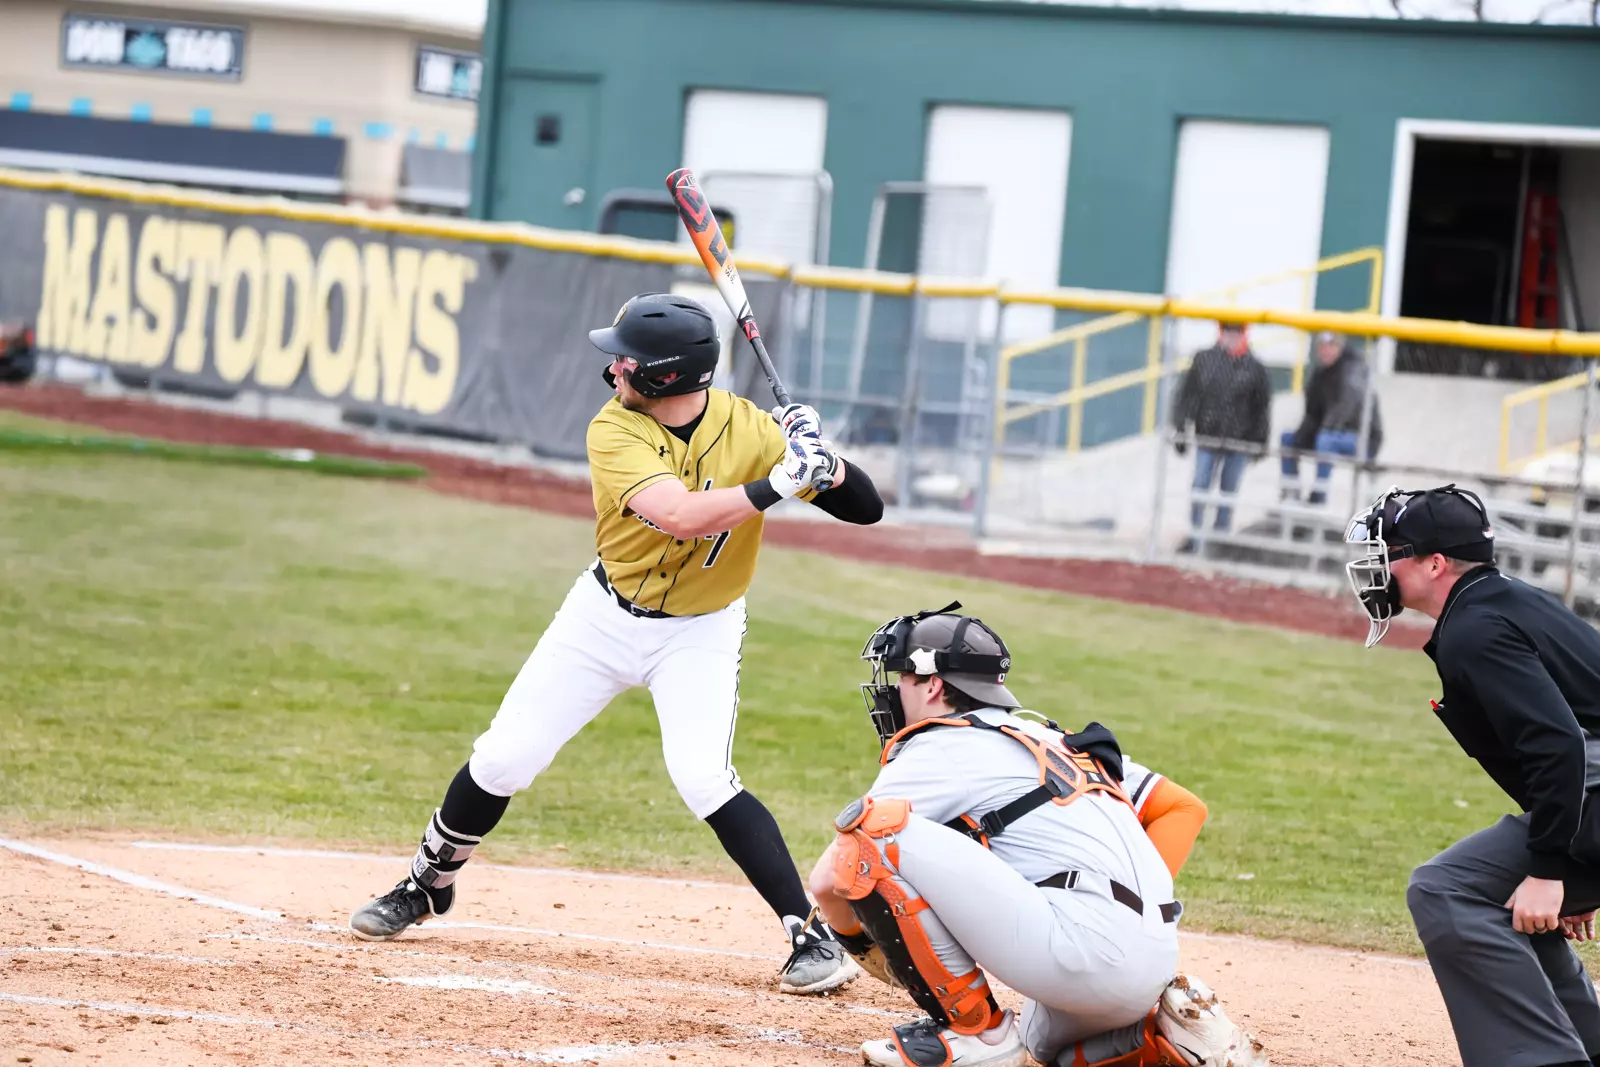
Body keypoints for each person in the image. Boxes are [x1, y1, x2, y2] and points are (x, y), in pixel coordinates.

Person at [349, 292, 884, 996]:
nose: (614, 368)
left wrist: (824, 460)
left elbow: (867, 507)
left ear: (665, 377)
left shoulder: (753, 429)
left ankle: (806, 934)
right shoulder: (614, 429)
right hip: (603, 616)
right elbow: (680, 515)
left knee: (703, 776)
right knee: (506, 753)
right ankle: (425, 883)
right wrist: (781, 481)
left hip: (701, 627)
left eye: (627, 359)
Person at [806, 603, 1267, 1067]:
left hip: (1076, 952)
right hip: (1153, 965)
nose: (892, 690)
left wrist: (862, 941)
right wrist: (1129, 908)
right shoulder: (1054, 737)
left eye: (900, 677)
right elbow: (1183, 808)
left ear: (933, 684)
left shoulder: (943, 743)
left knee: (873, 834)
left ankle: (976, 1036)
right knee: (1044, 1048)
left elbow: (834, 872)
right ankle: (1167, 1031)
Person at [1346, 485, 1600, 1067]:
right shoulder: (1506, 601)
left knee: (1444, 890)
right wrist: (1572, 863)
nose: (1378, 567)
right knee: (1504, 900)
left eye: (1391, 553)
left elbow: (1558, 744)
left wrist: (1550, 867)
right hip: (1590, 804)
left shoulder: (1476, 627)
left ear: (1434, 564)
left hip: (1592, 799)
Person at [1171, 323, 1272, 541]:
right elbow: (1188, 396)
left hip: (1239, 440)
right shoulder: (1205, 360)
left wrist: (1261, 441)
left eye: (1236, 331)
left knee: (1228, 492)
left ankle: (1220, 539)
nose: (1231, 336)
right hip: (1208, 435)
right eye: (1227, 330)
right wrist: (1181, 428)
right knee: (1200, 485)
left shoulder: (1255, 368)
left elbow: (1261, 407)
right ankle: (1196, 536)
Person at [1280, 332, 1383, 506]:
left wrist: (1324, 429)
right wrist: (1302, 434)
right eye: (1323, 347)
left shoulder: (1353, 369)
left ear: (1340, 348)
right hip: (1330, 432)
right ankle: (1291, 494)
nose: (1326, 351)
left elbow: (1347, 405)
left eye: (1331, 346)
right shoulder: (1320, 373)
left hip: (1361, 438)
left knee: (1325, 440)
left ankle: (1318, 498)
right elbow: (1312, 412)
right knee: (1287, 439)